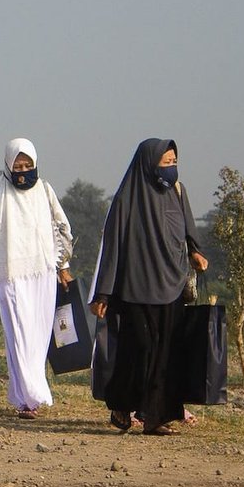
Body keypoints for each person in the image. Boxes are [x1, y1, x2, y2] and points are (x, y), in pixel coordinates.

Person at [88, 138, 208, 436]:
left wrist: (195, 252)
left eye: (173, 162)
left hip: (172, 282)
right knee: (138, 348)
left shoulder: (178, 192)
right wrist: (103, 291)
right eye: (165, 163)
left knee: (167, 352)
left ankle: (156, 417)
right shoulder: (126, 199)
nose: (171, 169)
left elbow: (188, 230)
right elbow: (112, 247)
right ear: (148, 163)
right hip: (135, 287)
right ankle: (121, 404)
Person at [0, 139, 75, 420]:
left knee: (38, 334)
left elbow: (59, 229)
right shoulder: (0, 193)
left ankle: (28, 392)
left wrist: (63, 267)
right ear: (8, 167)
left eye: (27, 166)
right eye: (17, 166)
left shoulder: (44, 190)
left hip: (43, 273)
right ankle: (28, 398)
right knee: (19, 333)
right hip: (13, 276)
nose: (22, 171)